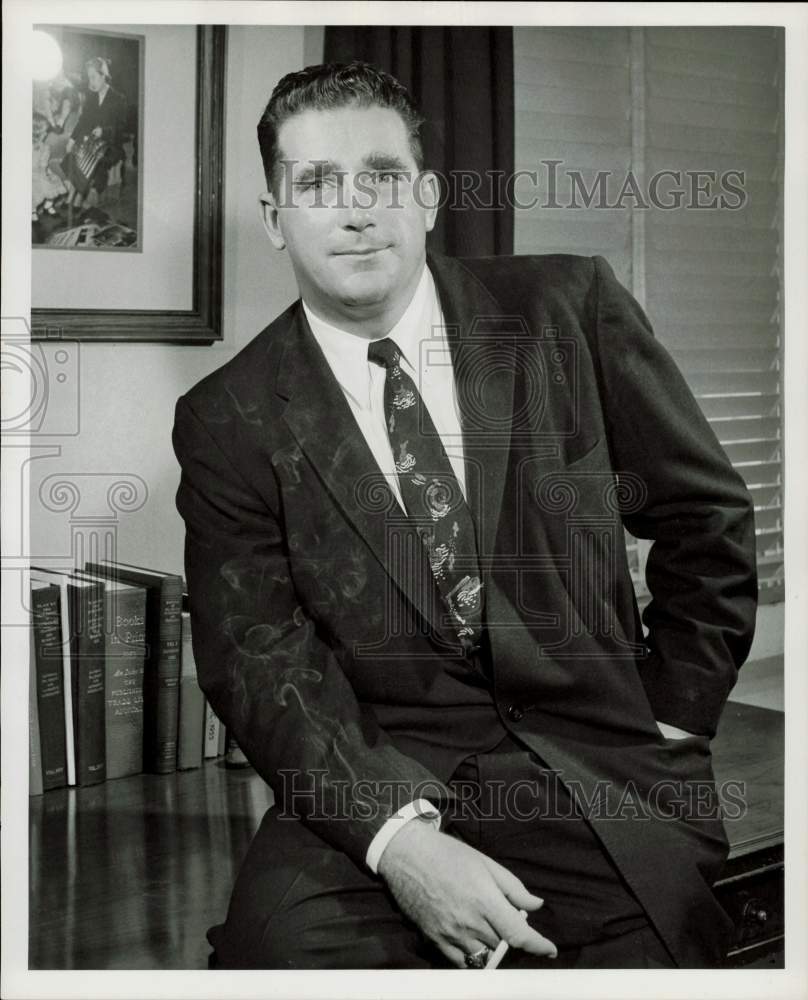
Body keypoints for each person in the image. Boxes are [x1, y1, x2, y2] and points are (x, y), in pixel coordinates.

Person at [172, 61, 757, 971]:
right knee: (268, 964)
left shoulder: (568, 309)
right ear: (274, 216)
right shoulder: (227, 417)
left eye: (383, 176)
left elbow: (706, 516)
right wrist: (400, 843)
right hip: (378, 777)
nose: (356, 209)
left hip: (598, 764)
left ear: (431, 195)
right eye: (318, 185)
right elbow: (255, 658)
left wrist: (675, 716)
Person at [62, 57, 127, 207]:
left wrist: (104, 131)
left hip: (110, 144)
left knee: (91, 158)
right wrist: (72, 140)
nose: (91, 82)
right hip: (92, 141)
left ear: (103, 75)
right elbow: (84, 121)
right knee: (75, 151)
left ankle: (79, 199)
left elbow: (122, 129)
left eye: (94, 77)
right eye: (89, 78)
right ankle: (72, 196)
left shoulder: (119, 99)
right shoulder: (91, 98)